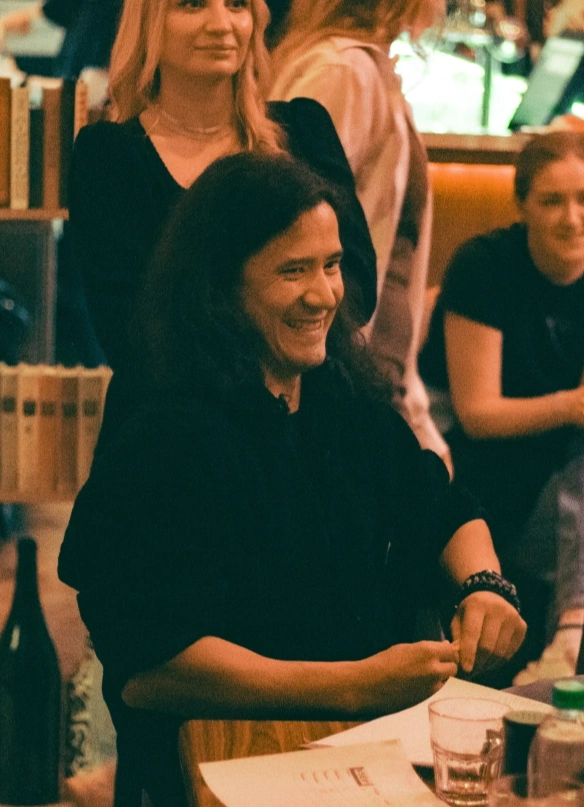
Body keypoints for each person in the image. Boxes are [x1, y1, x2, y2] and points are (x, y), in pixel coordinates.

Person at [58, 152, 527, 807]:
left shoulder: (339, 395)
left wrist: (484, 585)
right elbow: (151, 666)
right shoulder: (165, 425)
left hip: (360, 753)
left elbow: (441, 506)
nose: (325, 294)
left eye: (332, 265)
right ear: (221, 284)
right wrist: (355, 683)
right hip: (212, 765)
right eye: (293, 270)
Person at [67, 0, 376, 380]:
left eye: (236, 5)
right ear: (148, 22)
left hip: (305, 400)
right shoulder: (109, 156)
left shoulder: (305, 132)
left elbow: (357, 291)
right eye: (192, 5)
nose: (221, 24)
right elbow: (128, 327)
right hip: (174, 405)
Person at [419, 131, 584, 683]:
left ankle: (570, 636)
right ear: (522, 206)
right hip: (481, 470)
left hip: (560, 475)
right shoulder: (485, 267)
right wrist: (573, 406)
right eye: (552, 201)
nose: (572, 218)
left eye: (583, 199)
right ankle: (572, 634)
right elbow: (477, 414)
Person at [269, 0, 451, 470]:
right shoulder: (342, 71)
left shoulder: (366, 66)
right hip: (345, 371)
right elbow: (290, 221)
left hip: (374, 376)